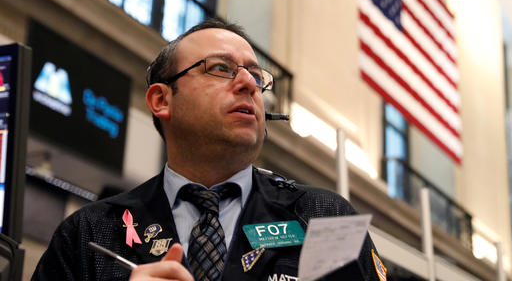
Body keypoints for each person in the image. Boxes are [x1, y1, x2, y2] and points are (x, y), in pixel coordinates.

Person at [32, 18, 383, 281]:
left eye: (256, 77)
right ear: (161, 99)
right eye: (221, 68)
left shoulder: (325, 216)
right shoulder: (89, 233)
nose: (248, 83)